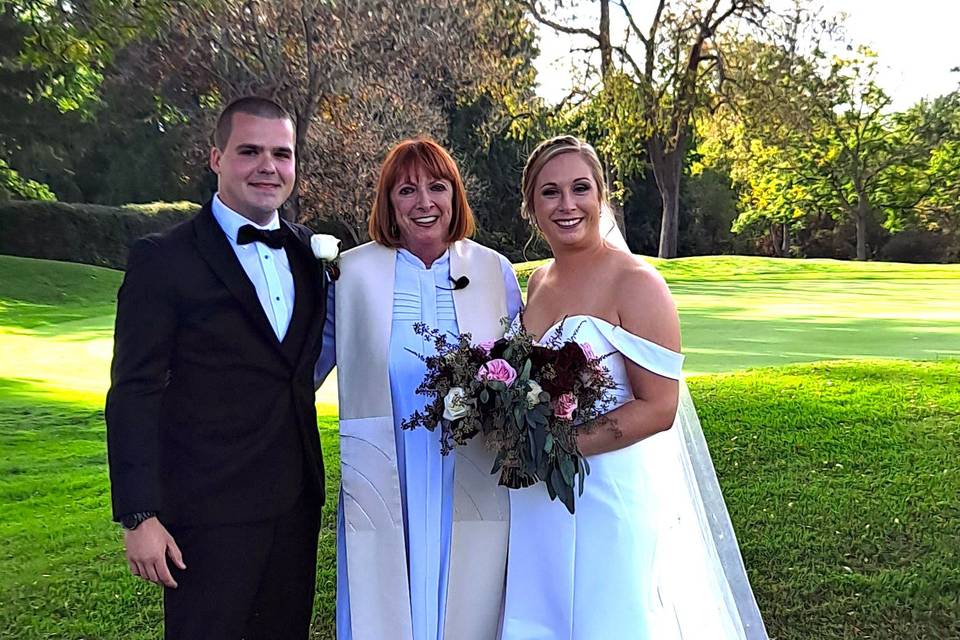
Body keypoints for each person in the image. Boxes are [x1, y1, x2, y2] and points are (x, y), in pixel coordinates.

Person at [500, 135, 768, 639]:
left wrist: (556, 446)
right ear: (530, 206)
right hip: (539, 501)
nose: (567, 204)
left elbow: (660, 406)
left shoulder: (637, 284)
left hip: (608, 497)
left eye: (581, 188)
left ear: (601, 195)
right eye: (550, 192)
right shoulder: (537, 282)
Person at [105, 96, 329, 639]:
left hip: (295, 505)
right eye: (249, 151)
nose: (268, 167)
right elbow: (134, 390)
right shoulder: (164, 258)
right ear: (216, 158)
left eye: (282, 153)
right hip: (206, 512)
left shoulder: (308, 254)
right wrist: (139, 515)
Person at [314, 138, 522, 640]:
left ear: (456, 196)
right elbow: (300, 373)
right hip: (386, 467)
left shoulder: (493, 272)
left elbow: (519, 375)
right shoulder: (352, 275)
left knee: (469, 593)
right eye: (407, 190)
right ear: (388, 202)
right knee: (381, 593)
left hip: (469, 468)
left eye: (437, 186)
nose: (424, 203)